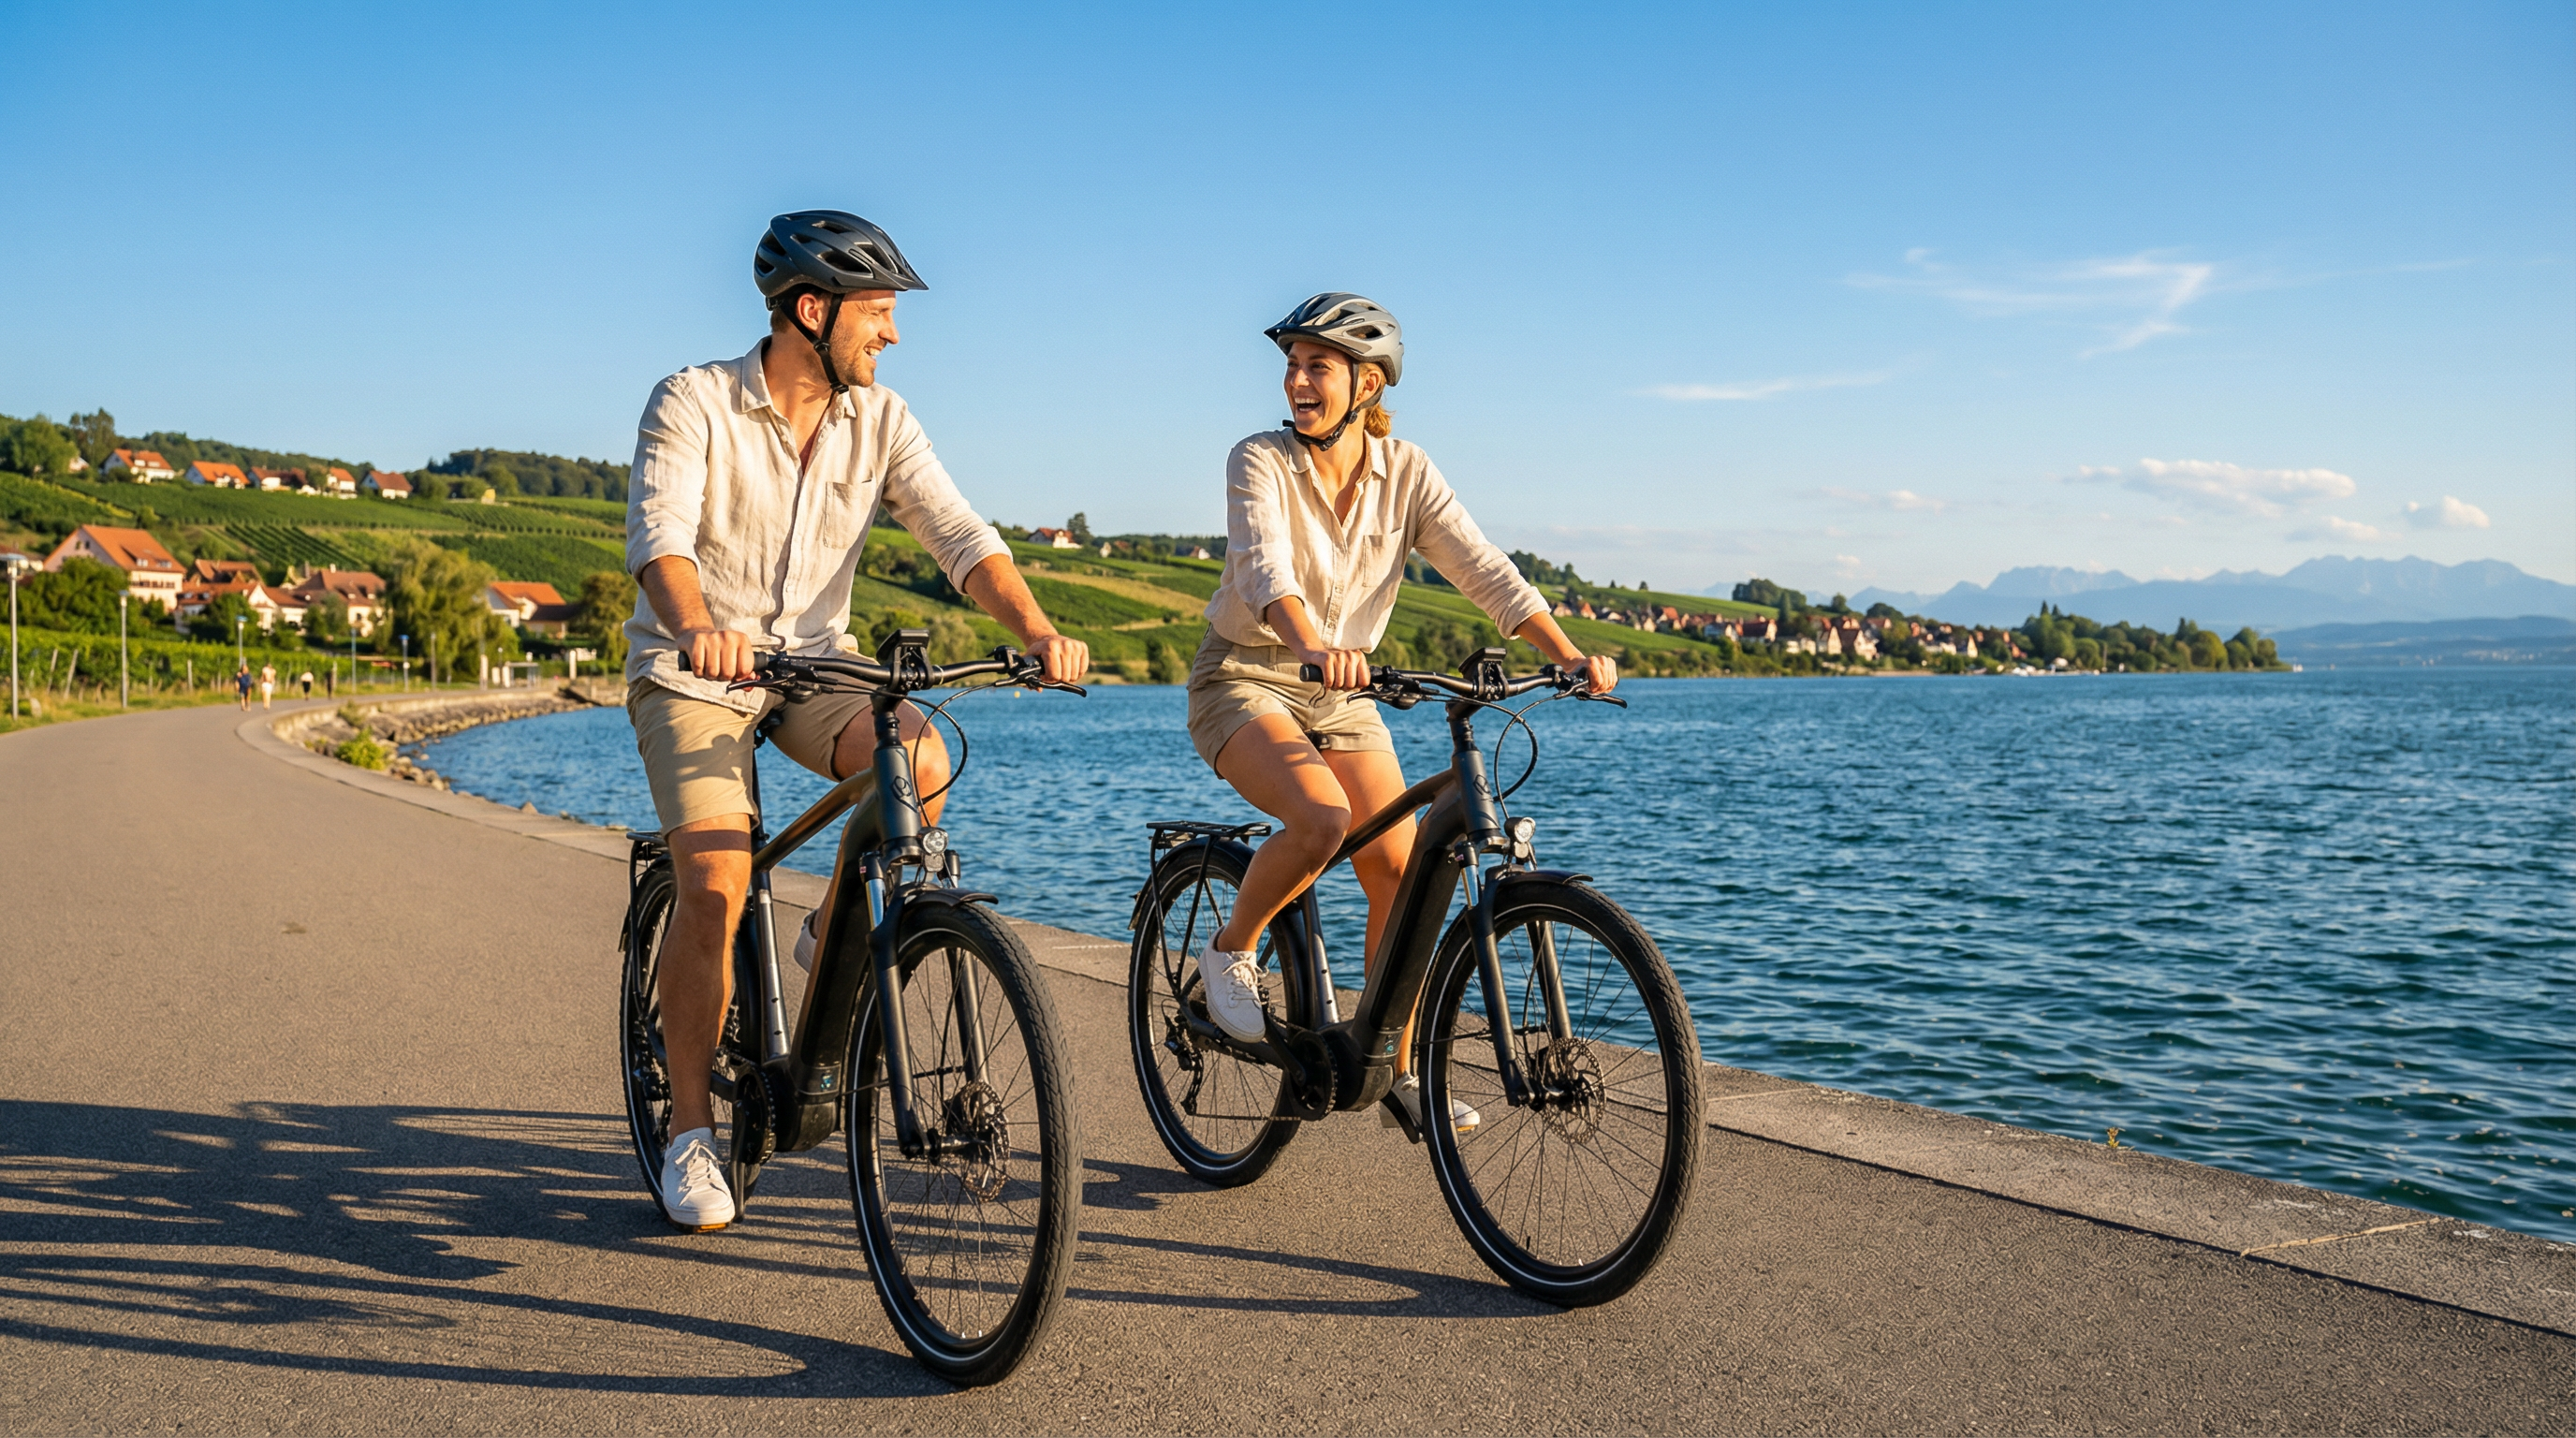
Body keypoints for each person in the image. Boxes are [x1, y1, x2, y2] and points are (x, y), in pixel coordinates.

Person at [622, 210, 1090, 1233]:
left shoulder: (884, 421)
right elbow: (661, 538)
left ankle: (830, 941)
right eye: (876, 314)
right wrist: (699, 626)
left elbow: (959, 535)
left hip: (814, 666)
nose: (892, 335)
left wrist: (1039, 629)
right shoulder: (694, 400)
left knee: (915, 759)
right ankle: (693, 1133)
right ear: (809, 310)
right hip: (695, 670)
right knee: (714, 878)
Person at [1185, 293, 1618, 1137]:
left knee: (1402, 870)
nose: (1296, 380)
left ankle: (1394, 1069)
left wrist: (1563, 652)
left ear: (1368, 383)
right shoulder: (1259, 460)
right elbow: (1264, 571)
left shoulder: (1408, 471)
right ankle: (1229, 952)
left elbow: (1485, 569)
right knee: (1320, 818)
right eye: (1292, 364)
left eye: (1318, 365)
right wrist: (1311, 642)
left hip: (1345, 692)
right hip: (1245, 674)